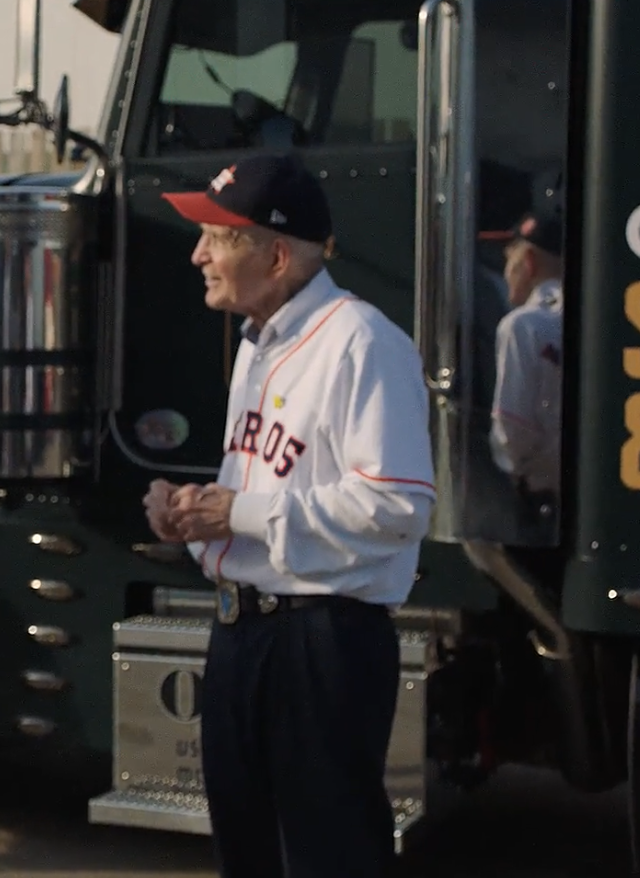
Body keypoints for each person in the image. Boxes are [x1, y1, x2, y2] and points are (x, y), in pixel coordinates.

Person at [141, 152, 436, 878]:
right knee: (250, 855)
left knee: (325, 857)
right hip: (245, 632)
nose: (197, 253)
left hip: (320, 642)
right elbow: (273, 488)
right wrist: (191, 516)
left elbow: (398, 507)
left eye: (217, 235)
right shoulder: (259, 347)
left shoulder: (360, 343)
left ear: (275, 255)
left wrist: (239, 511)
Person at [489, 209, 564, 544]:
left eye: (510, 259)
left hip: (542, 502)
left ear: (529, 262)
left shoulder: (524, 325)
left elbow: (513, 429)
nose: (506, 272)